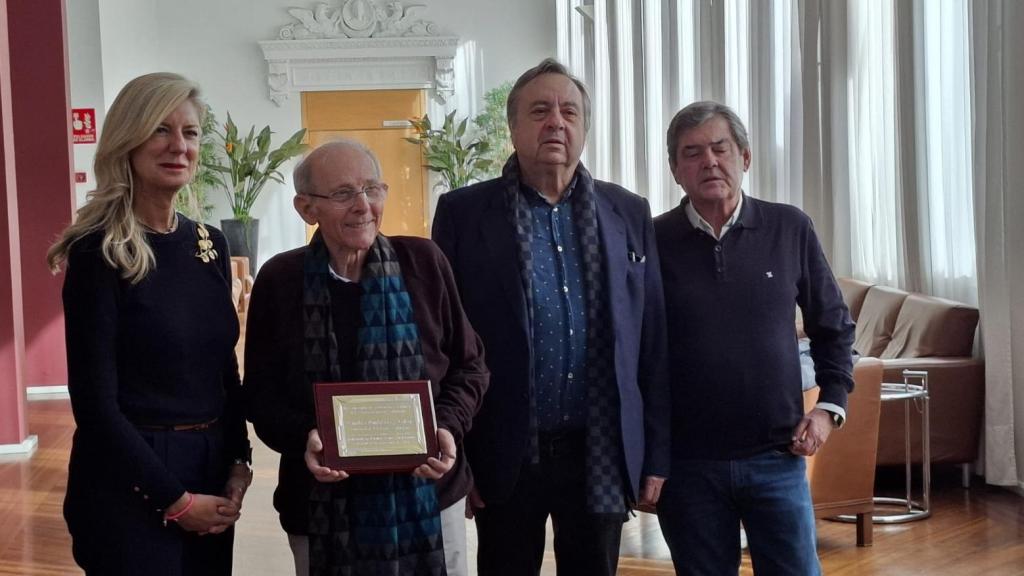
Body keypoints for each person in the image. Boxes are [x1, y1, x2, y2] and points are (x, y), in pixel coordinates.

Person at [432, 58, 670, 576]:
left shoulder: (628, 211)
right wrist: (459, 455)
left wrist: (654, 455)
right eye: (540, 111)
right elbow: (442, 345)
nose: (555, 122)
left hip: (600, 448)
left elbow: (649, 343)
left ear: (584, 127)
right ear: (514, 127)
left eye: (569, 112)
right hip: (504, 447)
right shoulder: (463, 213)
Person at [244, 139, 488, 576]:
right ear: (306, 208)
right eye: (342, 194)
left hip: (430, 495)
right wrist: (306, 438)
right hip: (321, 505)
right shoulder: (281, 280)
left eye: (372, 189)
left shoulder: (425, 262)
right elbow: (261, 397)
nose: (363, 205)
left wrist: (447, 426)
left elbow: (470, 365)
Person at [47, 72, 252, 576]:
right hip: (130, 479)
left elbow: (222, 368)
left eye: (190, 132)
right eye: (160, 130)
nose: (178, 146)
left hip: (208, 469)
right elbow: (95, 408)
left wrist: (238, 460)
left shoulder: (209, 244)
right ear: (128, 139)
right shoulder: (99, 252)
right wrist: (175, 500)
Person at [653, 101, 855, 575]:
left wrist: (829, 408)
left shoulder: (790, 228)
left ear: (744, 157)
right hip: (688, 466)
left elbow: (834, 326)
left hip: (777, 457)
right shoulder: (652, 239)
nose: (709, 162)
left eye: (720, 148)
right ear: (675, 170)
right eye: (692, 153)